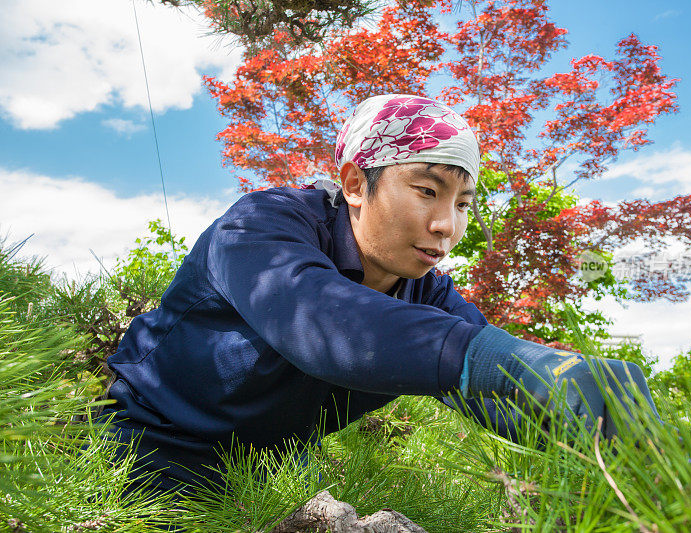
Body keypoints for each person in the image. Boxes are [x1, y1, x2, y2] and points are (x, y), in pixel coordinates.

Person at [99, 94, 658, 496]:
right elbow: (322, 321)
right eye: (427, 190)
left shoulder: (428, 294)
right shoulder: (261, 229)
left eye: (463, 203)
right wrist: (495, 360)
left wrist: (599, 427)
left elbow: (489, 383)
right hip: (142, 456)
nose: (447, 225)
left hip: (270, 481)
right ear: (354, 184)